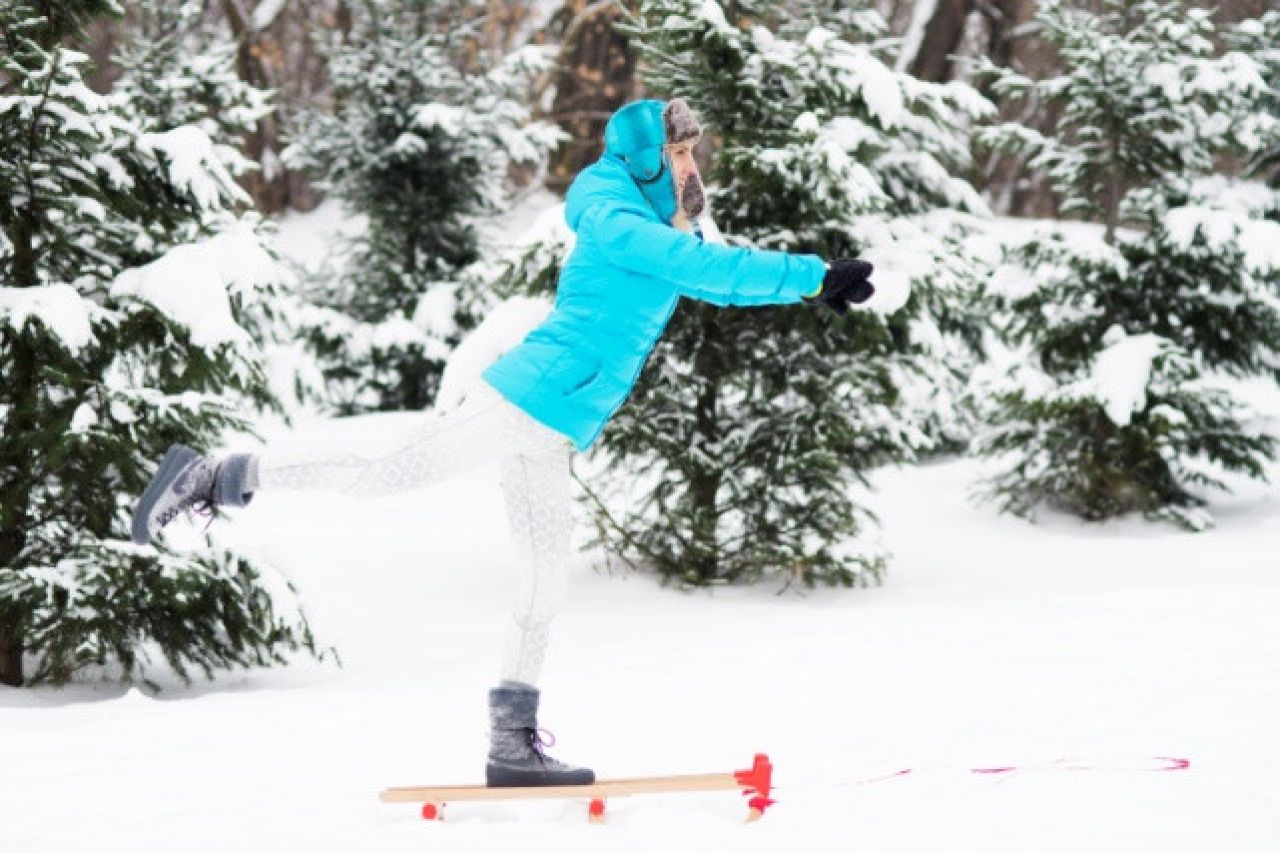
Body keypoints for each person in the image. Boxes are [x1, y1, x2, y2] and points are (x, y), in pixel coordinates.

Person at [130, 98, 875, 787]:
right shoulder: (613, 211)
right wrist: (811, 276)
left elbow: (716, 277)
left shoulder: (663, 226)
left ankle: (511, 744)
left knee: (543, 579)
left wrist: (817, 287)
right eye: (681, 154)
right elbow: (695, 267)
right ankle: (212, 473)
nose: (693, 167)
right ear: (649, 158)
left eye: (695, 154)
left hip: (557, 426)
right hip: (527, 396)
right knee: (379, 472)